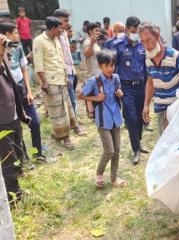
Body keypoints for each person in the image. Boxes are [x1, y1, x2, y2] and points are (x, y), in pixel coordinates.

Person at [139, 22, 179, 135]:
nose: (146, 45)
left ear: (157, 36)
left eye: (148, 40)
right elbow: (150, 81)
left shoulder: (174, 56)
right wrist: (146, 105)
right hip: (160, 108)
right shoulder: (148, 58)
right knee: (165, 144)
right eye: (142, 42)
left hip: (177, 108)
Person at [79, 49, 126, 188]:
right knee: (109, 150)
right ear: (100, 66)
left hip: (116, 118)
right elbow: (80, 95)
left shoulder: (116, 78)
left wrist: (120, 94)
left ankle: (114, 178)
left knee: (116, 150)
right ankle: (99, 174)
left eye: (113, 65)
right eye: (107, 66)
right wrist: (95, 98)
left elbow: (119, 95)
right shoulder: (94, 81)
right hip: (103, 121)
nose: (111, 69)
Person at [1, 21, 46, 162]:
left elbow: (24, 71)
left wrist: (29, 91)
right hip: (8, 93)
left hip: (22, 89)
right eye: (16, 33)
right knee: (17, 128)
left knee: (35, 122)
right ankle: (23, 158)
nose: (19, 36)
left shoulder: (18, 49)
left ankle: (37, 153)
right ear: (7, 35)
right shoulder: (2, 52)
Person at [33, 17, 77, 150]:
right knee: (57, 112)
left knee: (66, 109)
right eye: (60, 28)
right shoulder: (39, 41)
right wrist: (44, 82)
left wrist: (66, 76)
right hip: (50, 82)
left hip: (61, 79)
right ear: (53, 28)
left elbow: (60, 60)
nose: (62, 31)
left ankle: (59, 134)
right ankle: (66, 138)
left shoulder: (57, 40)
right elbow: (38, 64)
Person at [111, 16, 147, 165]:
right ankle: (135, 149)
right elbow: (111, 68)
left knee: (140, 117)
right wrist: (115, 87)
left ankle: (138, 142)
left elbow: (147, 66)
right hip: (126, 87)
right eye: (133, 31)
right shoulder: (118, 45)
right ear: (126, 30)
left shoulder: (142, 45)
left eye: (137, 31)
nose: (135, 34)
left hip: (141, 86)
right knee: (131, 118)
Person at [0, 34, 31, 201]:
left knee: (18, 153)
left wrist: (21, 114)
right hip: (2, 122)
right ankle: (14, 198)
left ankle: (15, 188)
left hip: (13, 117)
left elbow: (13, 84)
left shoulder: (3, 60)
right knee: (8, 160)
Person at [54, 9, 86, 136]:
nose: (67, 23)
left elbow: (67, 55)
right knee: (70, 100)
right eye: (65, 20)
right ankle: (75, 126)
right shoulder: (55, 36)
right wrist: (65, 73)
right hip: (64, 73)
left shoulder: (64, 34)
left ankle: (74, 122)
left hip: (70, 70)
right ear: (58, 19)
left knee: (71, 100)